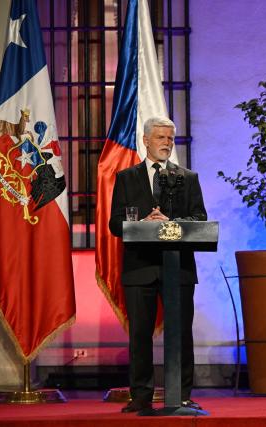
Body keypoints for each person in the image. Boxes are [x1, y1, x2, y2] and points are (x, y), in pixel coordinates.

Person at [109, 117, 207, 413]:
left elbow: (200, 220)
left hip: (178, 268)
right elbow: (115, 224)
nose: (166, 142)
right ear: (146, 140)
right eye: (161, 137)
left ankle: (183, 395)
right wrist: (141, 224)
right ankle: (140, 396)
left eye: (170, 138)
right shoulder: (127, 178)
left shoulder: (187, 178)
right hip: (140, 268)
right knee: (140, 334)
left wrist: (170, 223)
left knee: (181, 334)